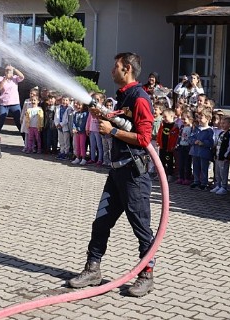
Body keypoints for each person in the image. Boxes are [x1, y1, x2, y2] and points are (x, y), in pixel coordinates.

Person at [68, 52, 156, 297]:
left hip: (134, 176)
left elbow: (144, 139)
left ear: (127, 68)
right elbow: (123, 125)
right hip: (116, 174)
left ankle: (146, 275)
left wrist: (112, 131)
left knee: (141, 228)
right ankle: (93, 269)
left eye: (115, 66)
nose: (111, 70)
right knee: (101, 222)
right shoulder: (122, 97)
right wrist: (106, 118)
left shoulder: (140, 98)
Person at [189, 108, 214, 190]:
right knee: (195, 167)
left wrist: (203, 143)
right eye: (198, 117)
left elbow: (211, 142)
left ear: (207, 119)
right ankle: (196, 181)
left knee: (204, 168)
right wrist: (194, 141)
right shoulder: (196, 128)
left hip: (204, 152)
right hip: (195, 151)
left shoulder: (210, 130)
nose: (199, 120)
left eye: (201, 118)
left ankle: (204, 182)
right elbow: (191, 137)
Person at [0, 65, 25, 133]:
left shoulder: (15, 78)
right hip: (3, 104)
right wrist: (5, 78)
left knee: (18, 122)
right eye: (7, 70)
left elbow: (22, 77)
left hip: (14, 103)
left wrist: (14, 69)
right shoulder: (1, 78)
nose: (8, 72)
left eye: (10, 70)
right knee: (0, 121)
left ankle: (26, 140)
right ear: (5, 71)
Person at [212, 116, 230, 195]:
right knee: (217, 172)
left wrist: (226, 156)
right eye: (221, 123)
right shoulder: (221, 133)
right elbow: (217, 144)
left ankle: (224, 187)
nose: (222, 125)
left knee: (223, 172)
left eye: (224, 123)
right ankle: (218, 185)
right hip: (217, 156)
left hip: (223, 157)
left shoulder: (229, 134)